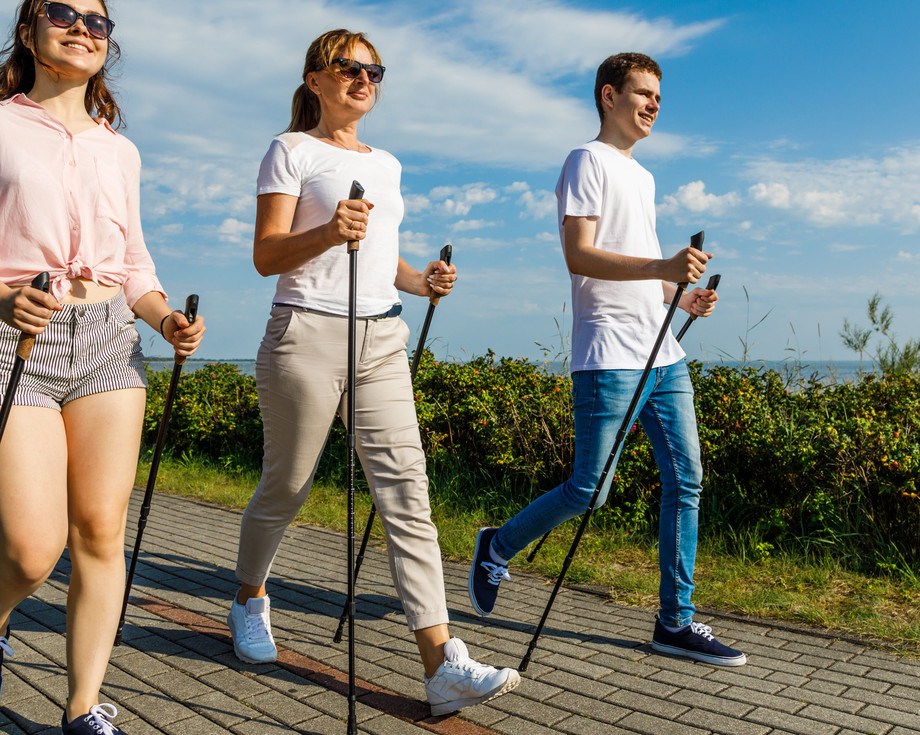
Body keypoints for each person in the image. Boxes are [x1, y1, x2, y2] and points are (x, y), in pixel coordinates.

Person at [228, 28, 520, 716]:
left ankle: (442, 664)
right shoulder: (291, 149)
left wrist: (423, 280)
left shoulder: (385, 164)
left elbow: (379, 250)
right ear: (315, 79)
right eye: (348, 67)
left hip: (382, 336)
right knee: (287, 485)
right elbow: (267, 254)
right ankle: (248, 597)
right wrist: (329, 230)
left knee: (407, 494)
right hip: (305, 330)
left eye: (374, 70)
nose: (364, 79)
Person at [468, 52, 747, 667]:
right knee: (590, 490)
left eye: (657, 97)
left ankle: (675, 622)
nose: (651, 106)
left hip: (661, 353)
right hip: (609, 356)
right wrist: (661, 269)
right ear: (608, 95)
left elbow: (641, 268)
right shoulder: (585, 161)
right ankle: (497, 545)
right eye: (641, 93)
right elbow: (580, 255)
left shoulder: (642, 177)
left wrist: (681, 295)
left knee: (688, 482)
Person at [0, 2, 206, 732]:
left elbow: (134, 262)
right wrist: (2, 298)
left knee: (98, 530)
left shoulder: (122, 150)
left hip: (110, 344)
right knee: (30, 548)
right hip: (18, 340)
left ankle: (83, 706)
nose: (84, 25)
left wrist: (165, 318)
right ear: (28, 32)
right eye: (63, 11)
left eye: (99, 18)